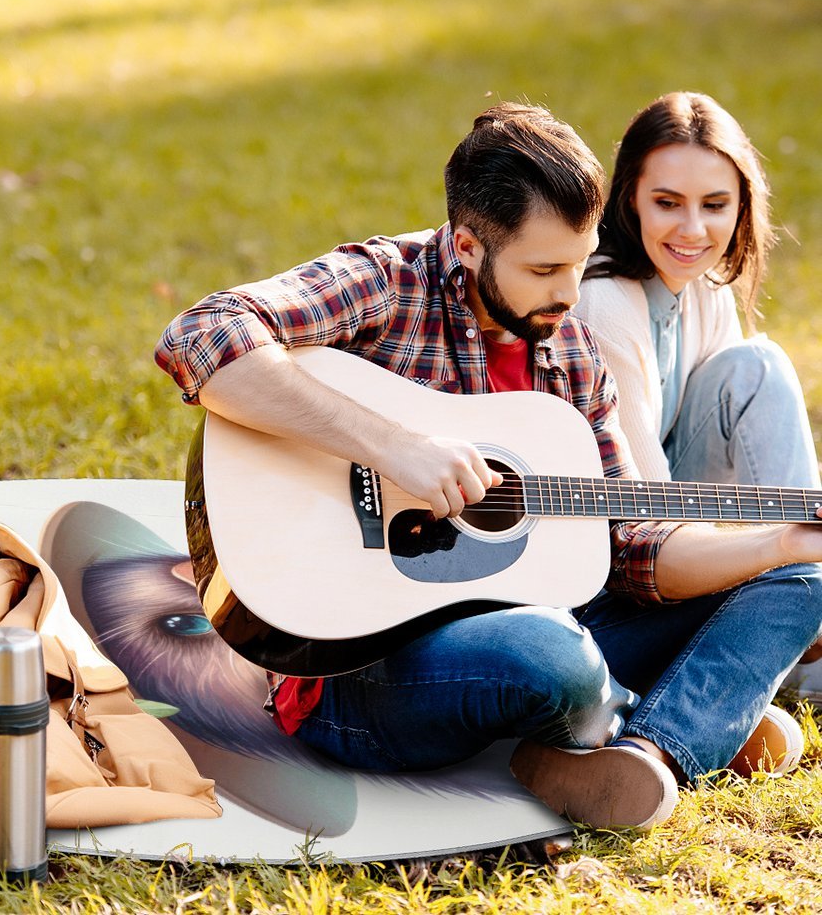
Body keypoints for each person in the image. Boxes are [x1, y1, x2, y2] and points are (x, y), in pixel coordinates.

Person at [155, 102, 822, 831]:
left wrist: (779, 543)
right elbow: (202, 334)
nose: (570, 295)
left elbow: (632, 544)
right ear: (468, 245)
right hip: (359, 673)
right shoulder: (386, 282)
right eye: (544, 269)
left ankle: (652, 751)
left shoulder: (570, 351)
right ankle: (684, 710)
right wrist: (391, 446)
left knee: (802, 580)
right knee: (551, 657)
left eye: (579, 261)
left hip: (546, 625)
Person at [575, 91, 822, 706]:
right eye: (667, 203)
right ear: (629, 196)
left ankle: (799, 612)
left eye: (715, 205)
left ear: (742, 206)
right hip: (618, 564)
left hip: (684, 525)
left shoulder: (704, 286)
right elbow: (646, 517)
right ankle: (798, 624)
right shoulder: (605, 300)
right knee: (759, 366)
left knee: (753, 367)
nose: (693, 230)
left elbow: (743, 451)